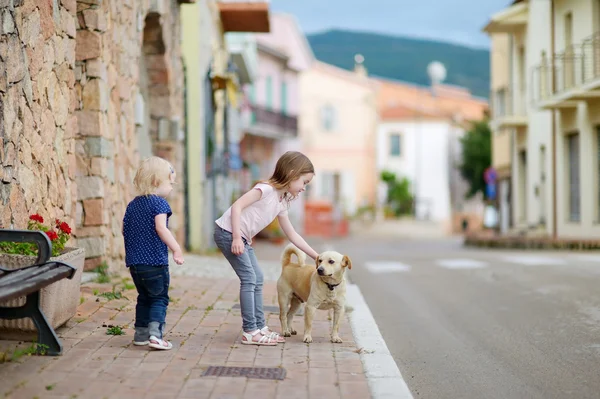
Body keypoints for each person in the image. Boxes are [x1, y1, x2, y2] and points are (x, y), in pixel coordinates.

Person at [214, 151, 319, 346]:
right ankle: (250, 331)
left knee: (258, 278)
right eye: (304, 182)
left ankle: (260, 327)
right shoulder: (266, 189)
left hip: (241, 237)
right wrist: (237, 236)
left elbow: (292, 234)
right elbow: (237, 207)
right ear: (292, 173)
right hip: (227, 232)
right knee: (249, 279)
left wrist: (316, 256)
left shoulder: (282, 201)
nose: (304, 188)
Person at [123, 156, 184, 351]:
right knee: (159, 298)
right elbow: (161, 228)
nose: (172, 188)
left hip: (135, 264)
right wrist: (176, 248)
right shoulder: (159, 204)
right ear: (157, 182)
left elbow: (125, 230)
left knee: (143, 297)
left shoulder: (132, 205)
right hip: (155, 263)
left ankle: (140, 334)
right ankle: (156, 336)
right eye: (170, 183)